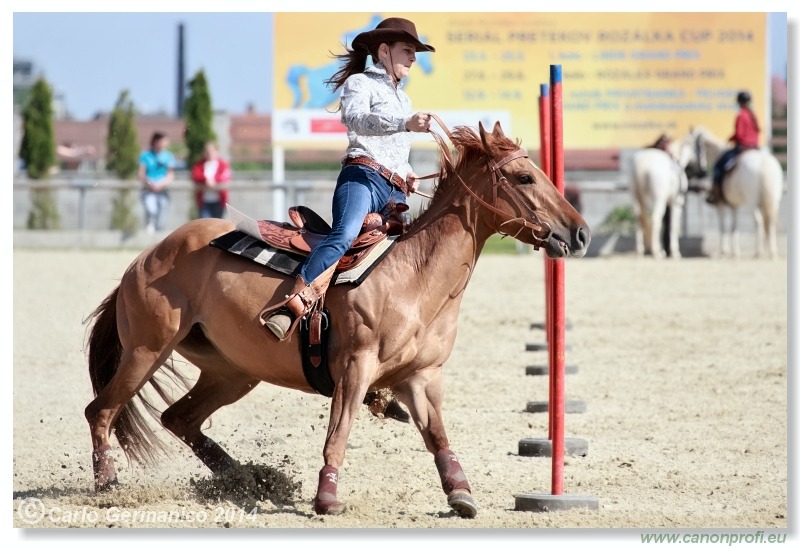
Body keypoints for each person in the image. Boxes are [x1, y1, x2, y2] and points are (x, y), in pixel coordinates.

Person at [263, 17, 435, 340]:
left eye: (415, 52)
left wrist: (408, 173)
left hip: (395, 192)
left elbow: (398, 154)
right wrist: (405, 122)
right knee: (344, 235)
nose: (414, 58)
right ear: (384, 51)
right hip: (362, 179)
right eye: (408, 50)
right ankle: (292, 304)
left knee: (410, 249)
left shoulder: (405, 99)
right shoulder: (360, 84)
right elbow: (357, 119)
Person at [707, 91, 760, 205]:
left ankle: (715, 194)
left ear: (739, 102)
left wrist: (730, 139)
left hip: (743, 147)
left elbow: (739, 135)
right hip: (755, 147)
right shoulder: (753, 115)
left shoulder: (741, 115)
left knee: (718, 166)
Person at [138, 131, 175, 233]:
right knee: (151, 210)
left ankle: (159, 235)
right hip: (148, 189)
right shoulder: (145, 155)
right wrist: (149, 183)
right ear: (156, 142)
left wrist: (162, 183)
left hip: (162, 190)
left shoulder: (168, 156)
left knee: (162, 213)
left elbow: (170, 174)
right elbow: (141, 173)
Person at [191, 141, 231, 219]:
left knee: (218, 225)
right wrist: (205, 180)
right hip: (204, 201)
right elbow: (195, 175)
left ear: (217, 152)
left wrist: (215, 181)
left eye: (211, 151)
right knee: (205, 225)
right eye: (207, 151)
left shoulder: (223, 164)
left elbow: (226, 176)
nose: (209, 153)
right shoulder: (199, 164)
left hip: (219, 201)